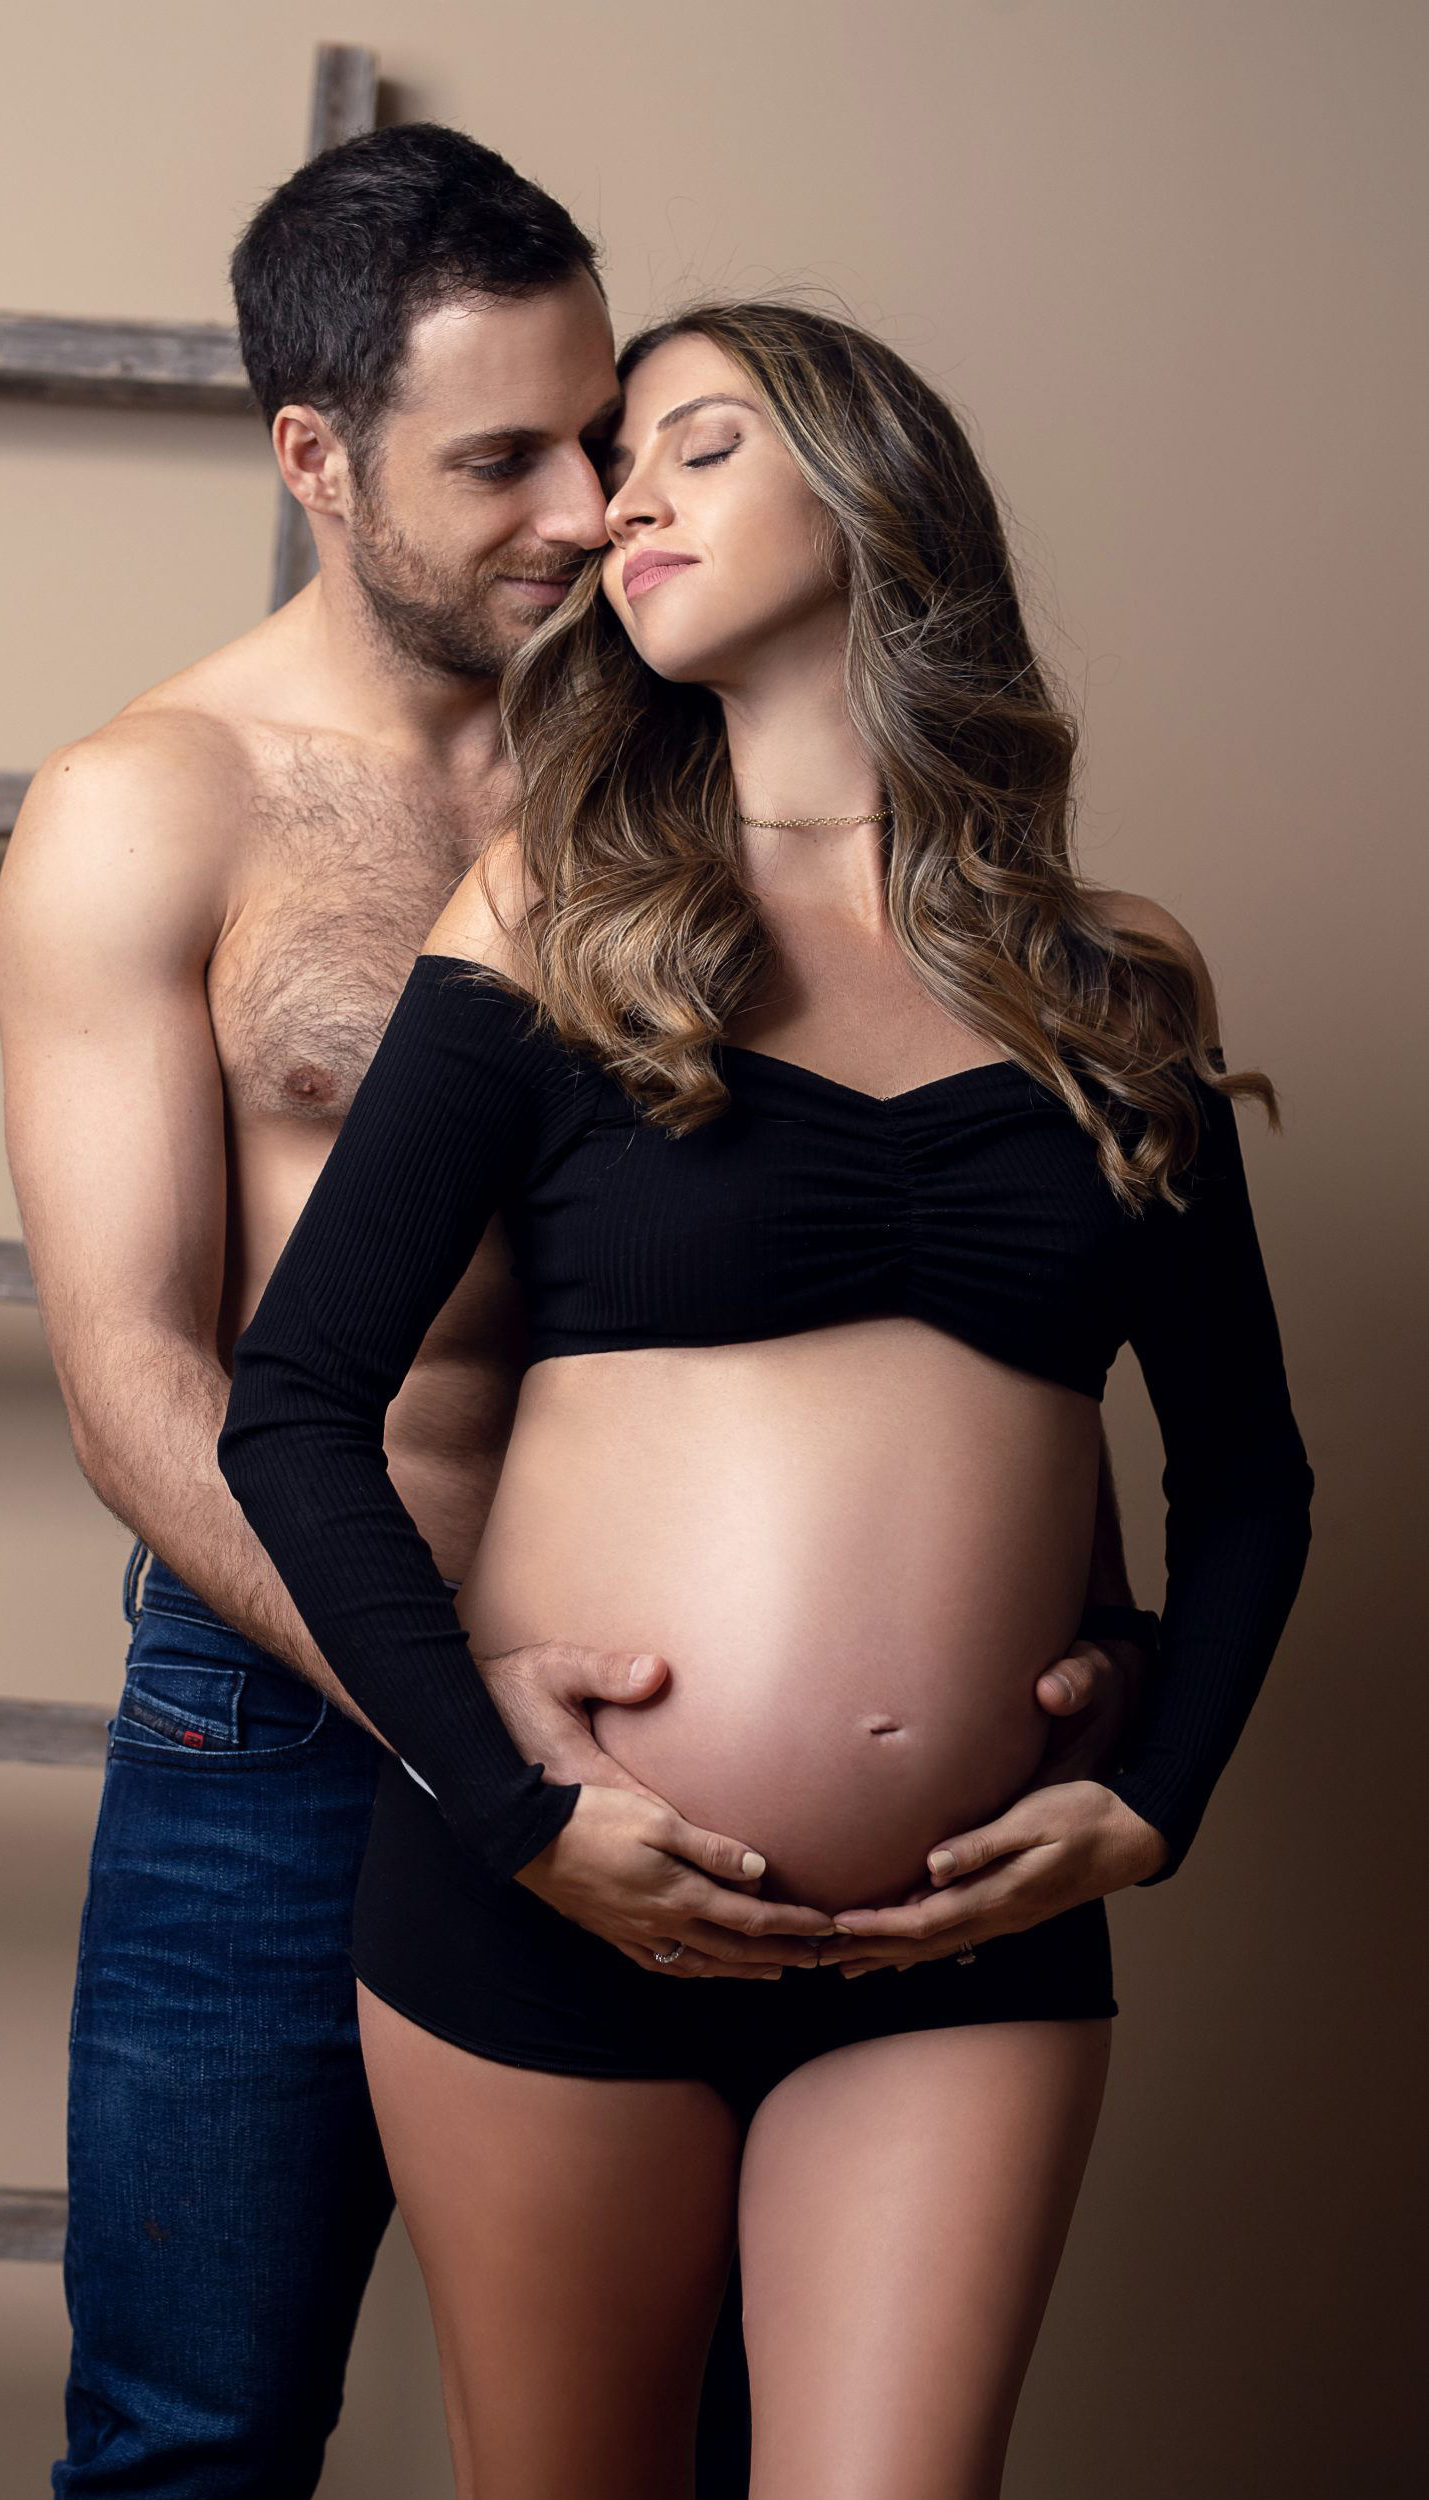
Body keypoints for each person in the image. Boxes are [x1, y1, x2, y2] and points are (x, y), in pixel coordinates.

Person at [0, 123, 1154, 2499]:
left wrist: (1073, 1611)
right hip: (290, 1711)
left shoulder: (689, 744)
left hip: (675, 1772)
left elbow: (938, 1257)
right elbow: (141, 1378)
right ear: (314, 459)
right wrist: (468, 1745)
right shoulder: (161, 804)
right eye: (500, 457)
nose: (580, 507)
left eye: (609, 436)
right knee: (193, 2430)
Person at [216, 297, 1316, 2500]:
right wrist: (514, 1809)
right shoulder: (556, 914)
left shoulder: (1110, 980)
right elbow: (295, 1404)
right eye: (617, 460)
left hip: (965, 1931)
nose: (620, 497)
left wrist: (1156, 1790)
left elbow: (1249, 1476)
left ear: (868, 490)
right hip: (543, 1910)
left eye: (691, 446)